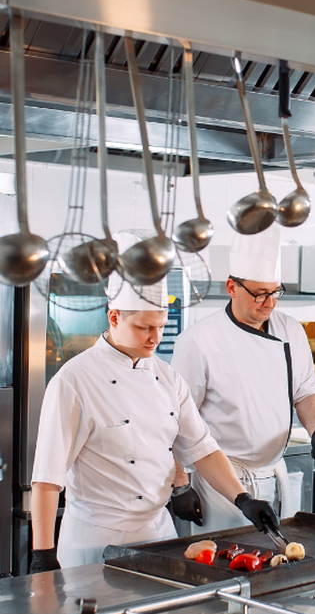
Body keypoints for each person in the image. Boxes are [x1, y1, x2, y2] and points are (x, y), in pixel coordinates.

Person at [29, 233, 278, 573]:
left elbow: (202, 449)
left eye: (160, 326)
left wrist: (243, 499)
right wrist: (43, 554)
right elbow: (47, 478)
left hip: (157, 534)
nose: (155, 337)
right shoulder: (74, 381)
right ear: (114, 317)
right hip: (94, 541)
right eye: (144, 327)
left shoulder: (166, 377)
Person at [171, 225, 315, 531]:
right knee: (230, 566)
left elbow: (306, 392)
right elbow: (175, 420)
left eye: (275, 292)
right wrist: (179, 483)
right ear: (231, 287)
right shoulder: (198, 341)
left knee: (282, 563)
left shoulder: (291, 330)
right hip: (223, 484)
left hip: (275, 473)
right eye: (260, 294)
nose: (269, 302)